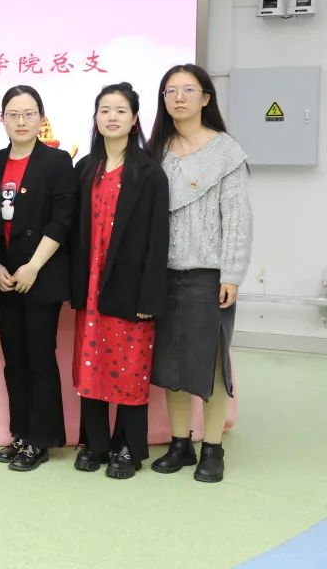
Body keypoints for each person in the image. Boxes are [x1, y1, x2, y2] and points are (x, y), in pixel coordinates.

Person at [147, 64, 252, 483]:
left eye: (188, 90)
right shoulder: (156, 150)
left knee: (211, 366)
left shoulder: (226, 151)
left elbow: (238, 220)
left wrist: (232, 274)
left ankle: (212, 447)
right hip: (163, 274)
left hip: (209, 276)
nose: (178, 97)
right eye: (170, 90)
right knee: (170, 365)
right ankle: (180, 443)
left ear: (206, 98)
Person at [70, 82, 168, 480]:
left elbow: (158, 239)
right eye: (105, 110)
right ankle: (94, 442)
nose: (112, 117)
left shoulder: (149, 172)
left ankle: (129, 445)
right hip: (91, 287)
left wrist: (150, 296)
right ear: (96, 118)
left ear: (134, 119)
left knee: (130, 367)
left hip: (130, 287)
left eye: (120, 111)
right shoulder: (84, 169)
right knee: (90, 364)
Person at [0, 86, 76, 471]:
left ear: (41, 118)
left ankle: (41, 439)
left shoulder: (57, 161)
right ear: (3, 119)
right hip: (4, 278)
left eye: (29, 114)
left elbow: (62, 219)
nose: (21, 121)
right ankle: (21, 433)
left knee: (39, 357)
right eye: (13, 114)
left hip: (41, 276)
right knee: (14, 360)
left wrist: (33, 266)